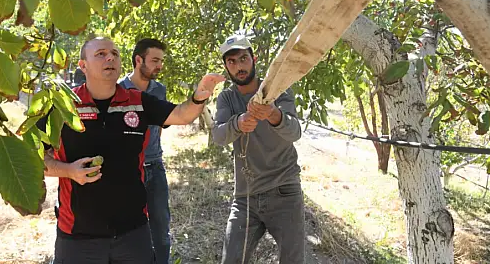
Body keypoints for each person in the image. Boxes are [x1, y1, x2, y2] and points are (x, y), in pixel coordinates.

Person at [39, 37, 225, 264]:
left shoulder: (138, 102)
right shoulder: (62, 106)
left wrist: (199, 96)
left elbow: (181, 114)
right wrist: (68, 171)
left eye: (115, 54)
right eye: (101, 54)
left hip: (132, 232)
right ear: (83, 65)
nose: (110, 57)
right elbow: (36, 159)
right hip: (78, 235)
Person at [211, 34, 304, 264]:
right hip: (245, 197)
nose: (239, 66)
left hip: (284, 191)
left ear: (254, 58)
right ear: (226, 67)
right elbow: (218, 135)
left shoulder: (277, 91)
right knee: (231, 259)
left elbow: (294, 132)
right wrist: (238, 123)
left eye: (243, 58)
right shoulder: (226, 98)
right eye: (231, 62)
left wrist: (274, 114)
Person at [119, 38, 170, 263]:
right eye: (155, 60)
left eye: (161, 61)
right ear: (138, 60)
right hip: (127, 171)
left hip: (155, 167)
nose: (159, 66)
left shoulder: (159, 90)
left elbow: (161, 125)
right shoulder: (117, 89)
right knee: (125, 232)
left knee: (161, 233)